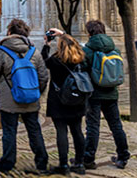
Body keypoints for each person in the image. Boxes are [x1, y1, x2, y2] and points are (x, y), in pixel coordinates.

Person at [0, 18, 50, 175]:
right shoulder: (34, 53)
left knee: (9, 132)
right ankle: (42, 162)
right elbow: (43, 77)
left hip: (9, 100)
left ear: (9, 33)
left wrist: (4, 88)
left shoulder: (0, 52)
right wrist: (33, 91)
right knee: (34, 130)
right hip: (31, 99)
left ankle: (7, 164)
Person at [81, 20, 130, 170]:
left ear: (89, 33)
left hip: (94, 94)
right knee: (116, 125)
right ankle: (123, 156)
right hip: (111, 93)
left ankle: (89, 159)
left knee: (93, 127)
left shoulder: (88, 50)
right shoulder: (114, 48)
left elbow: (82, 68)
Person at [42, 29, 91, 175]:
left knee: (61, 132)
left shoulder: (55, 60)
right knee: (77, 131)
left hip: (59, 101)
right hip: (78, 100)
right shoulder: (82, 58)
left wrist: (47, 43)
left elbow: (44, 60)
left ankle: (63, 165)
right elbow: (78, 46)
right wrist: (63, 33)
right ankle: (80, 163)